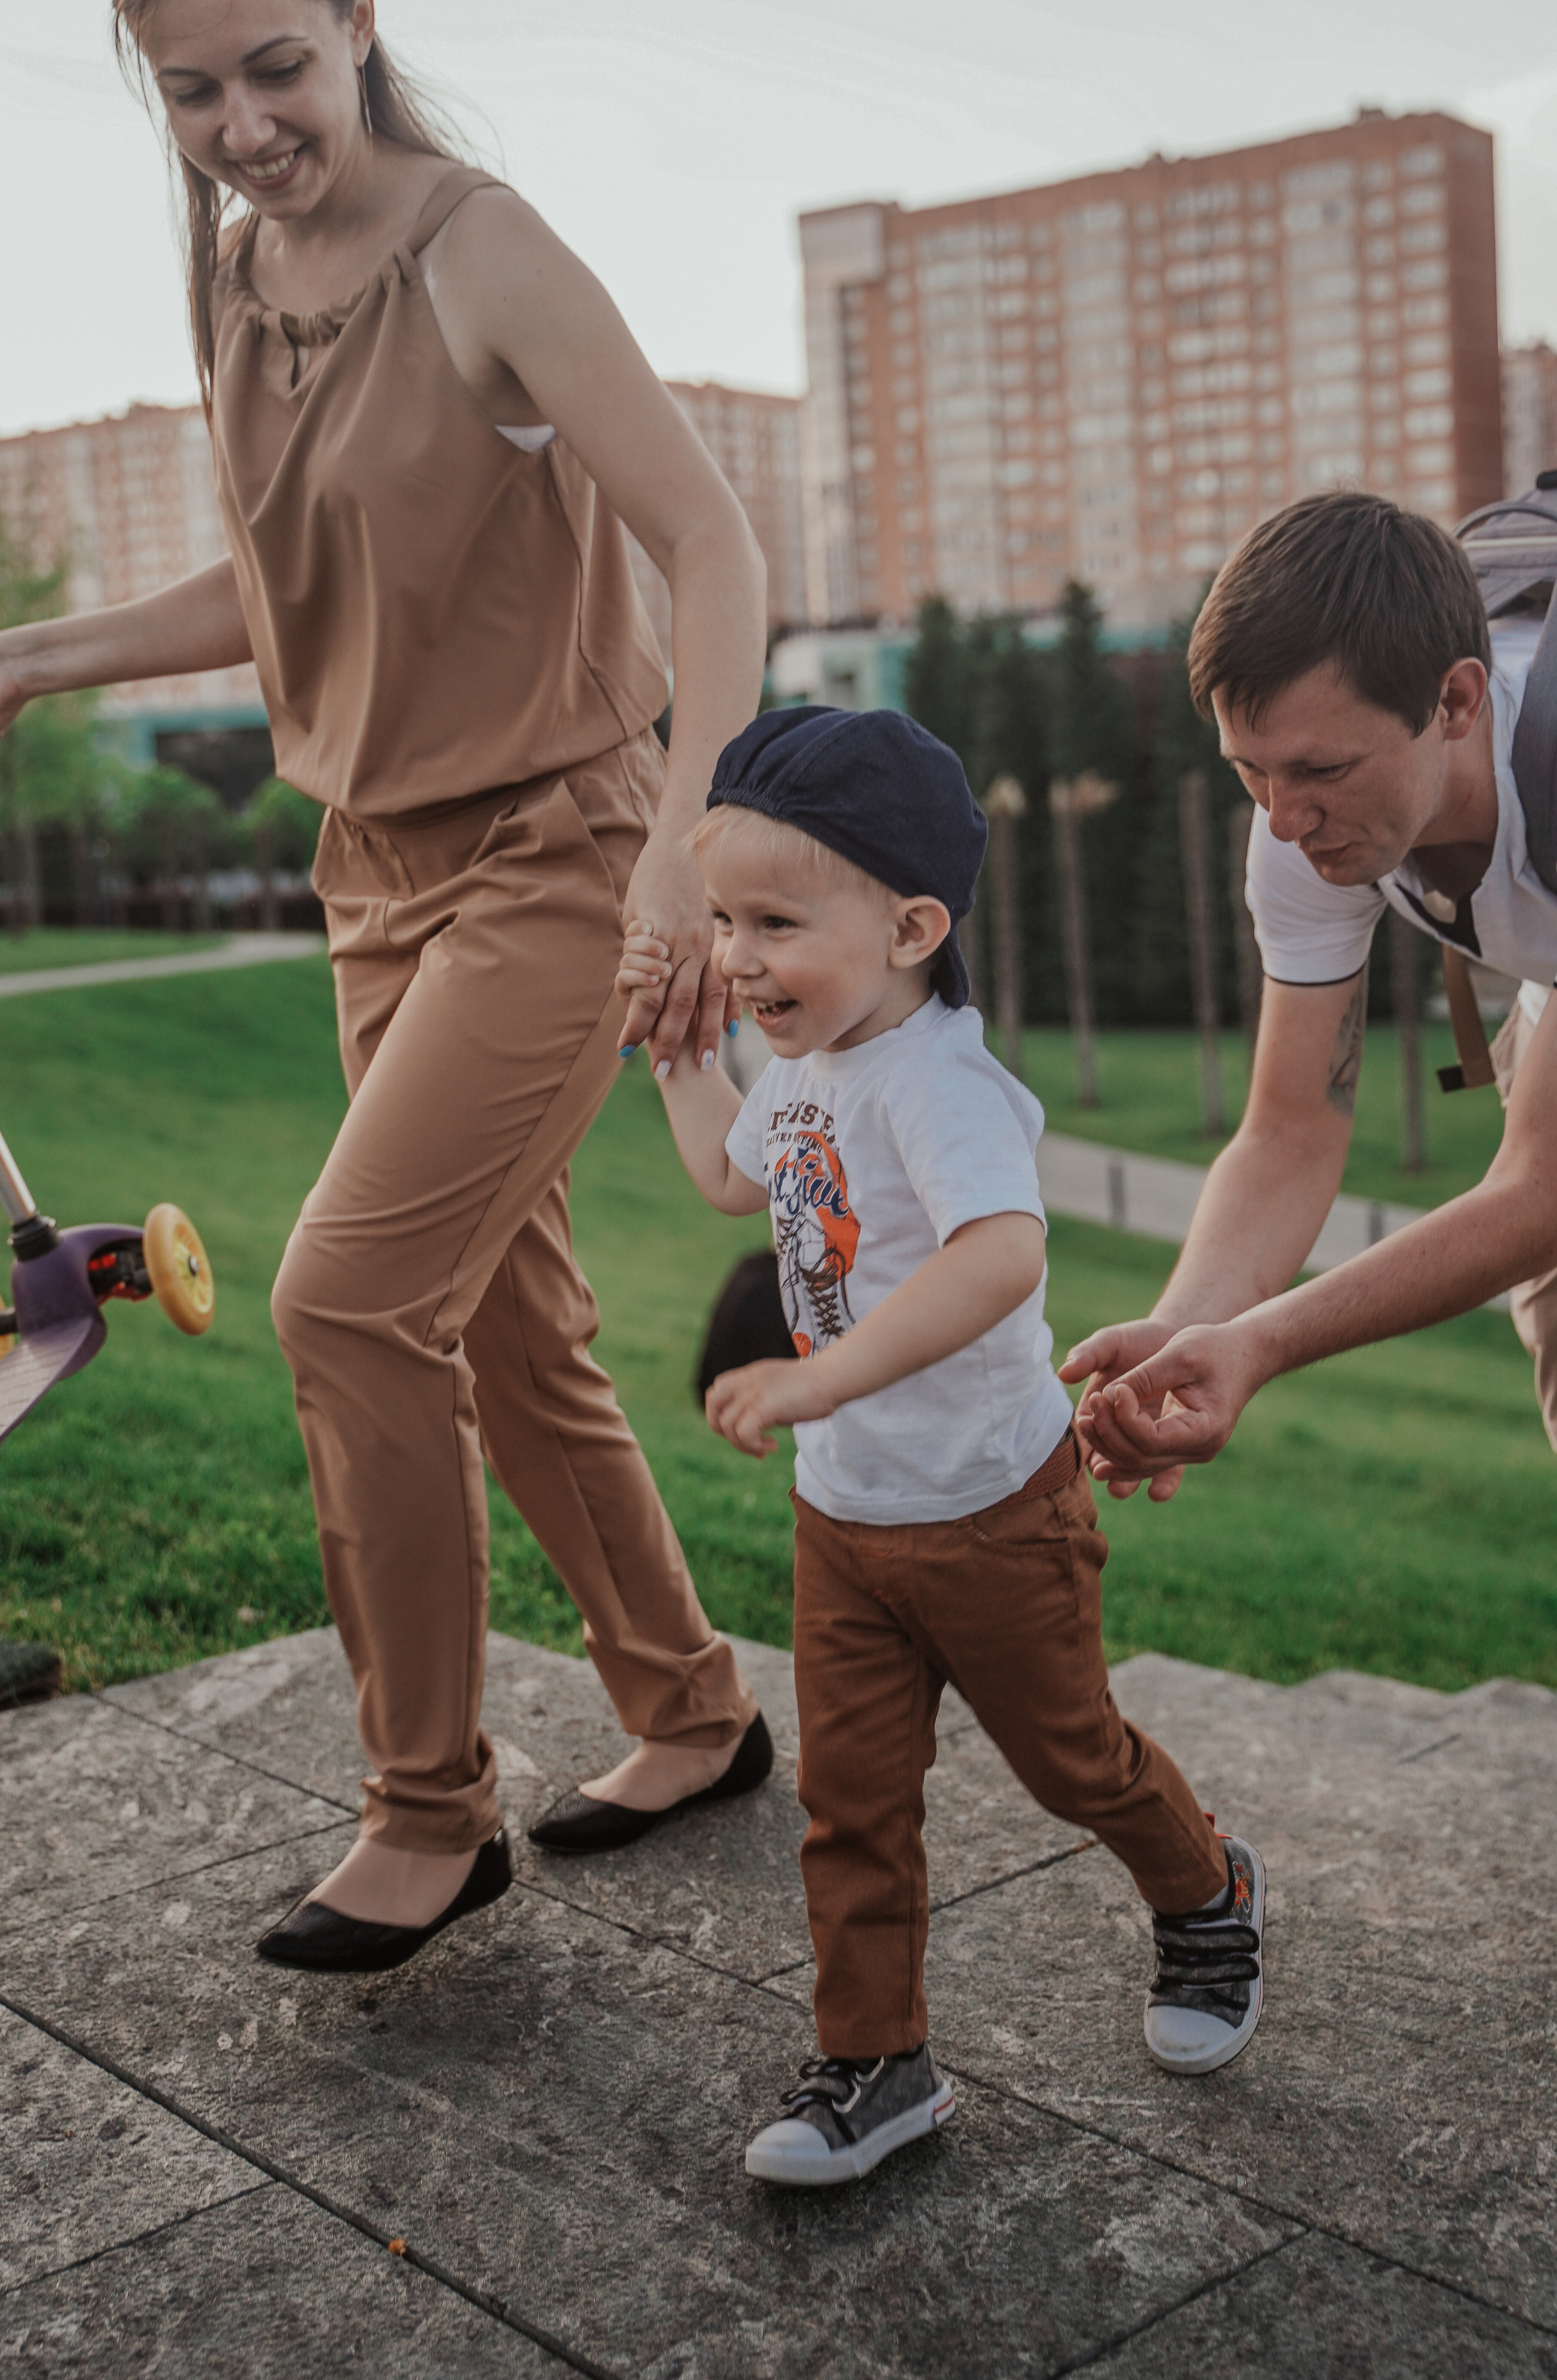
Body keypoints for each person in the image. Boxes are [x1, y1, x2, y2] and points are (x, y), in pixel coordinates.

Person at [0, 0, 771, 1971]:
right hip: (369, 873)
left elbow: (716, 545)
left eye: (278, 70)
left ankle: (428, 1813)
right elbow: (293, 585)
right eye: (196, 96)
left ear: (364, 22)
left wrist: (686, 837)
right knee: (501, 1318)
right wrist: (40, 650)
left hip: (559, 851)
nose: (244, 129)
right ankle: (688, 1710)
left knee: (341, 1301)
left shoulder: (487, 254)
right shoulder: (234, 273)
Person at [622, 705, 1266, 2188]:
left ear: (910, 924)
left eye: (774, 921)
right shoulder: (806, 1064)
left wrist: (816, 1376)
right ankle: (874, 2063)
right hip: (845, 1520)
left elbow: (998, 1259)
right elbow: (735, 1180)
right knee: (849, 1802)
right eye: (724, 920)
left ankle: (1205, 1892)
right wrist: (670, 1057)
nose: (736, 955)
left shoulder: (939, 1080)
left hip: (989, 1510)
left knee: (1073, 1762)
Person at [1062, 491, 1557, 1495]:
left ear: (1456, 704)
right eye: (1251, 773)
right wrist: (1186, 1327)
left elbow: (1538, 1192)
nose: (1284, 823)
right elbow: (1290, 1135)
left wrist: (1262, 1343)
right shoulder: (1303, 811)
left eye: (1319, 770)